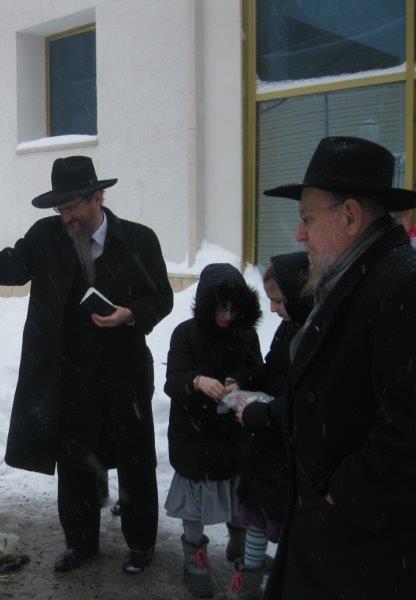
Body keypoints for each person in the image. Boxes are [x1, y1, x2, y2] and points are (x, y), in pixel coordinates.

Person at [0, 156, 174, 574]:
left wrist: (128, 314)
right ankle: (80, 543)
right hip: (68, 373)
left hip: (124, 371)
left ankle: (140, 543)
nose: (66, 216)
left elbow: (161, 297)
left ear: (98, 196)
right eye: (59, 208)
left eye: (73, 205)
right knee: (75, 461)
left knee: (134, 459)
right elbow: (13, 268)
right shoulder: (46, 236)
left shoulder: (139, 239)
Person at [262, 136, 416, 599]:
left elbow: (407, 432)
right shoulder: (356, 275)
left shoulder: (399, 285)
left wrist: (338, 496)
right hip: (332, 537)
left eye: (307, 218)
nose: (299, 234)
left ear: (350, 216)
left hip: (362, 549)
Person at [163, 263, 262, 598]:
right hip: (194, 433)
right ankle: (195, 553)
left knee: (238, 491)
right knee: (196, 499)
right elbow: (171, 381)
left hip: (233, 431)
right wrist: (197, 381)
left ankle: (239, 542)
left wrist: (241, 380)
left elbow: (257, 369)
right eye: (221, 307)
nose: (228, 315)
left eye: (234, 308)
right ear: (207, 304)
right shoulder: (186, 333)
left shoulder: (246, 333)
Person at [216, 252, 311, 600]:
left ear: (301, 295)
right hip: (269, 441)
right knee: (256, 510)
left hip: (290, 443)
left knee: (285, 518)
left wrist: (261, 413)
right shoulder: (289, 327)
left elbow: (305, 397)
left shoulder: (318, 332)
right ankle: (249, 575)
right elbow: (271, 370)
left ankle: (284, 579)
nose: (272, 309)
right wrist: (239, 379)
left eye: (278, 300)